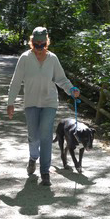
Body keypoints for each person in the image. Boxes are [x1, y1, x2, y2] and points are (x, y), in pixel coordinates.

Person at [7, 27, 80, 186]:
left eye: (42, 44)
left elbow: (61, 79)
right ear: (31, 42)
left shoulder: (52, 59)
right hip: (31, 103)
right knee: (34, 136)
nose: (39, 48)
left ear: (47, 43)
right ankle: (33, 158)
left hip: (49, 102)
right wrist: (10, 102)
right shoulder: (25, 58)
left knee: (46, 136)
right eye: (36, 44)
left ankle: (45, 172)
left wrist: (71, 90)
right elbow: (16, 81)